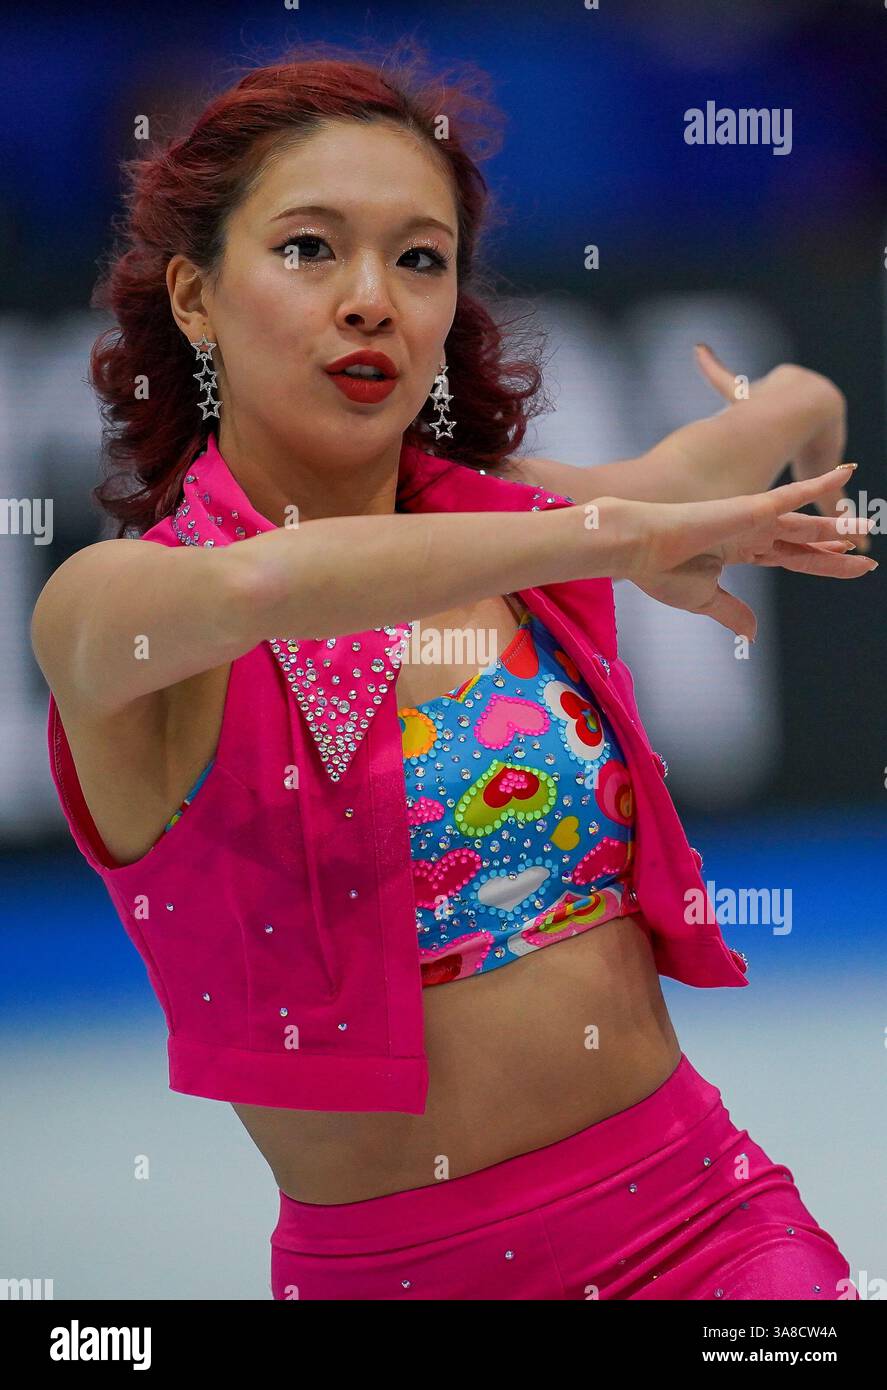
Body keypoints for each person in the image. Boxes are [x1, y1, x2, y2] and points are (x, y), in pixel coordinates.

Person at [32, 42, 872, 1301]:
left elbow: (773, 423)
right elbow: (265, 587)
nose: (371, 298)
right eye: (310, 248)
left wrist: (789, 398)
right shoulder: (115, 611)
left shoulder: (515, 517)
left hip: (708, 1229)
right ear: (195, 299)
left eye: (419, 258)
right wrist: (622, 532)